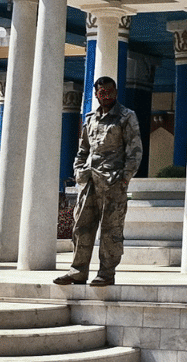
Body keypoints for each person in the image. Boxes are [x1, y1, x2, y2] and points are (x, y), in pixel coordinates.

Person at [53, 76, 142, 286]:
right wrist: (79, 171)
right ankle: (78, 271)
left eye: (110, 92)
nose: (106, 96)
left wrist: (124, 179)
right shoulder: (90, 118)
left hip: (113, 182)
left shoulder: (126, 117)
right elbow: (83, 150)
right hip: (89, 182)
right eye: (102, 92)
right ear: (96, 94)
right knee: (81, 226)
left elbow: (135, 151)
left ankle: (106, 273)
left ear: (116, 92)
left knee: (111, 230)